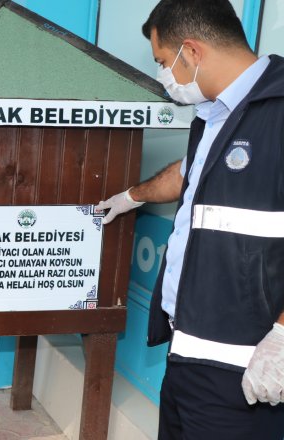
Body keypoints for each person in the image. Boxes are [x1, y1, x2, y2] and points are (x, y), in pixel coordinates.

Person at [96, 0, 284, 438]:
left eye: (164, 62)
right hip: (187, 354)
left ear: (192, 51)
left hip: (247, 372)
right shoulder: (215, 116)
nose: (167, 78)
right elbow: (191, 174)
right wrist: (131, 196)